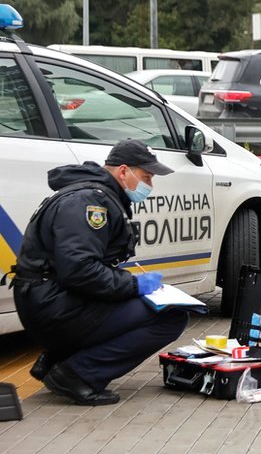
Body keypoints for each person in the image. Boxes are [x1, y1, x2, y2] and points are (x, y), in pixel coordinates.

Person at [9, 139, 188, 405]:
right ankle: (77, 374)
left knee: (141, 303)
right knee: (171, 316)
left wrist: (129, 285)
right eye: (146, 176)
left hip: (50, 300)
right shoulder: (88, 202)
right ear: (124, 171)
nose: (150, 185)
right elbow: (79, 270)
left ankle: (58, 359)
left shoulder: (94, 194)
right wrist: (133, 285)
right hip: (52, 307)